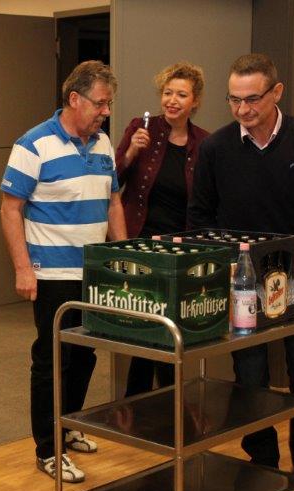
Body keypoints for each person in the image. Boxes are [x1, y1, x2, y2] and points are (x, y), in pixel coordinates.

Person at [188, 53, 294, 491]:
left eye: (252, 99)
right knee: (250, 385)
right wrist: (220, 269)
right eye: (234, 100)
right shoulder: (216, 148)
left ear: (277, 92)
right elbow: (200, 219)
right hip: (242, 290)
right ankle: (263, 470)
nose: (243, 109)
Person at [0, 60, 127, 483]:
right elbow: (11, 209)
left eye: (109, 103)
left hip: (93, 272)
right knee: (53, 359)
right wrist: (23, 268)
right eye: (100, 103)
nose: (106, 111)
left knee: (85, 353)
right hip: (52, 274)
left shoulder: (104, 144)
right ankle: (47, 449)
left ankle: (69, 426)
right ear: (75, 98)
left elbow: (113, 203)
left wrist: (124, 255)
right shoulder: (33, 144)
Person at [114, 62, 209, 397]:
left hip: (179, 248)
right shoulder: (142, 129)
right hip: (142, 243)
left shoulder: (203, 142)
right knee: (145, 326)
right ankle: (139, 400)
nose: (172, 100)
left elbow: (205, 198)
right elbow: (113, 180)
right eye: (168, 93)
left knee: (172, 329)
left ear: (195, 102)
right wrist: (131, 151)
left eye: (181, 94)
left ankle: (166, 399)